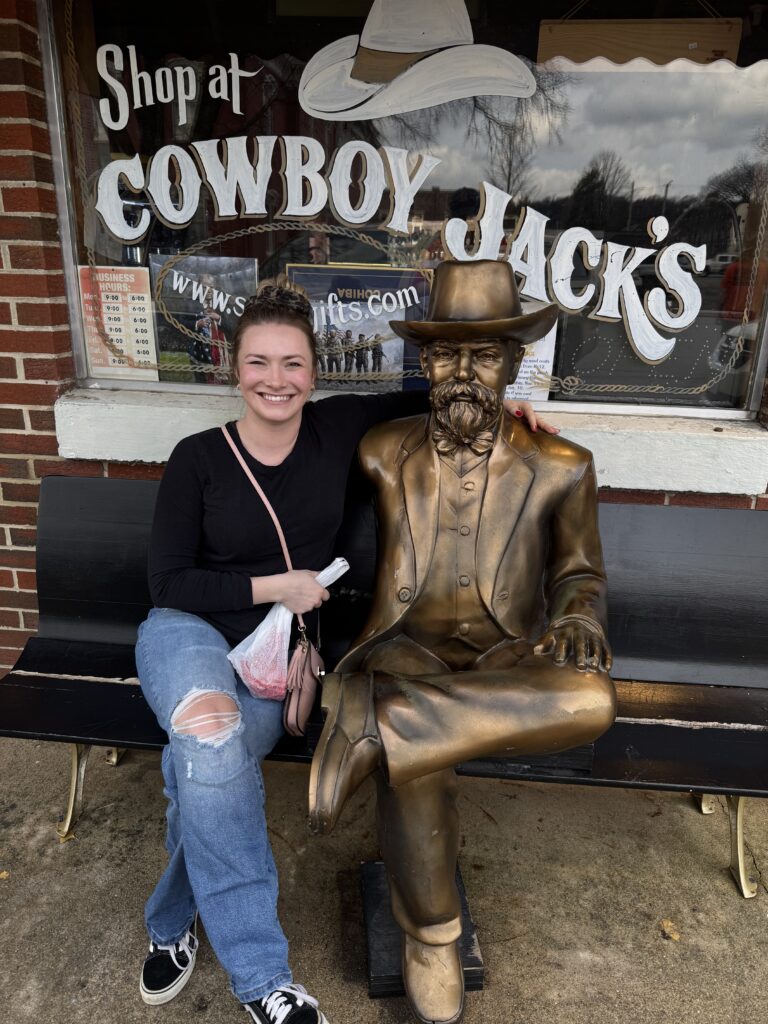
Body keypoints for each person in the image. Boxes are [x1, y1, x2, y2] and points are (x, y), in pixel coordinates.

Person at [135, 272, 556, 1024]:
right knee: (207, 732)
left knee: (206, 771)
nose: (276, 379)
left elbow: (433, 397)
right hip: (190, 637)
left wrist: (514, 414)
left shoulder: (337, 429)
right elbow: (168, 583)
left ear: (313, 373)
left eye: (292, 363)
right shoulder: (197, 457)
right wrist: (276, 588)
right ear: (236, 369)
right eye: (259, 362)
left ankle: (171, 923)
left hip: (276, 669)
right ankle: (266, 981)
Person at [309, 259, 615, 1024]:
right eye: (446, 354)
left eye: (484, 356)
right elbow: (293, 463)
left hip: (504, 666)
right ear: (423, 362)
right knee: (422, 759)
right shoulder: (381, 450)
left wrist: (577, 615)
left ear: (514, 363)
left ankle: (379, 725)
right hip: (402, 650)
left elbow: (581, 573)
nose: (463, 373)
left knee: (593, 701)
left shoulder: (563, 467)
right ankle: (432, 938)